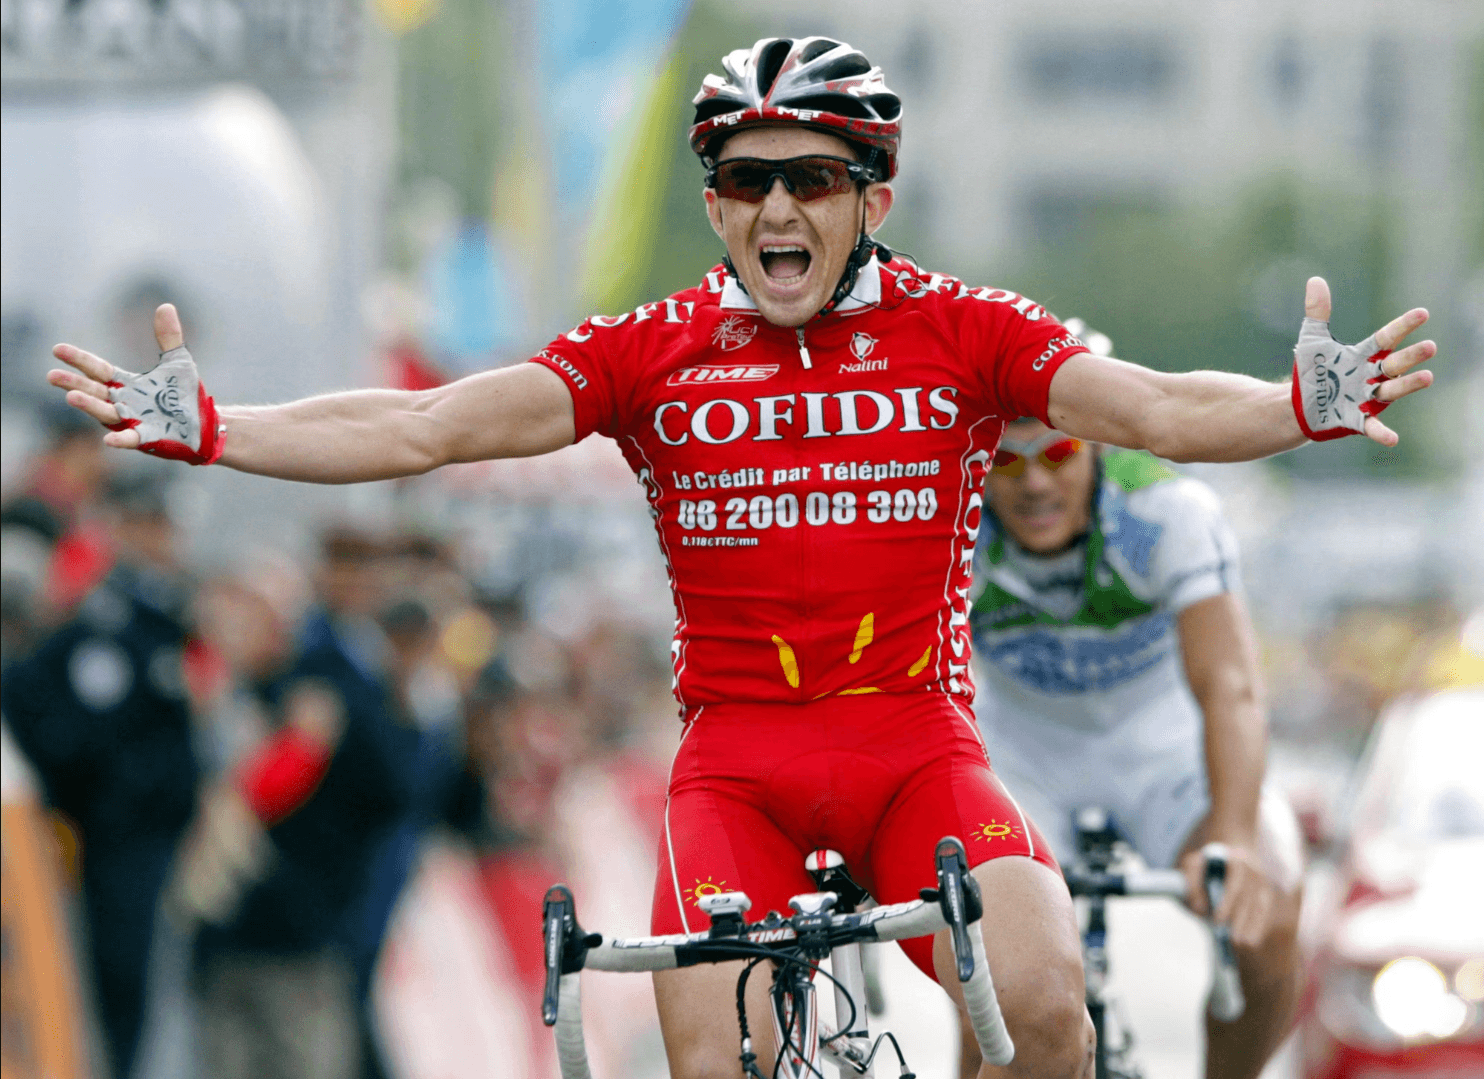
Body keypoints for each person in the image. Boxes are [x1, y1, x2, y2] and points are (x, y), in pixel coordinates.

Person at [45, 36, 1436, 1079]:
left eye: (811, 178)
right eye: (744, 178)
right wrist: (217, 427)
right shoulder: (649, 351)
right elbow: (422, 424)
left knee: (1045, 1005)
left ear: (870, 195)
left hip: (915, 747)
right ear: (713, 204)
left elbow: (1154, 406)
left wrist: (1294, 404)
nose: (777, 207)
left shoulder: (963, 330)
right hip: (737, 766)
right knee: (709, 1058)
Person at [965, 327, 1303, 1078]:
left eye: (1056, 454)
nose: (1033, 484)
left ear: (1092, 446)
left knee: (1267, 911)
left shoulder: (1166, 511)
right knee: (992, 978)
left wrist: (1236, 836)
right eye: (1005, 462)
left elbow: (1230, 686)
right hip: (1025, 758)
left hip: (1162, 750)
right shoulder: (948, 521)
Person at [2, 469, 202, 1079]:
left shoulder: (160, 610)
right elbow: (87, 728)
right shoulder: (108, 620)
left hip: (140, 836)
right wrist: (116, 804)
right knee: (106, 977)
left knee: (129, 981)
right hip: (111, 837)